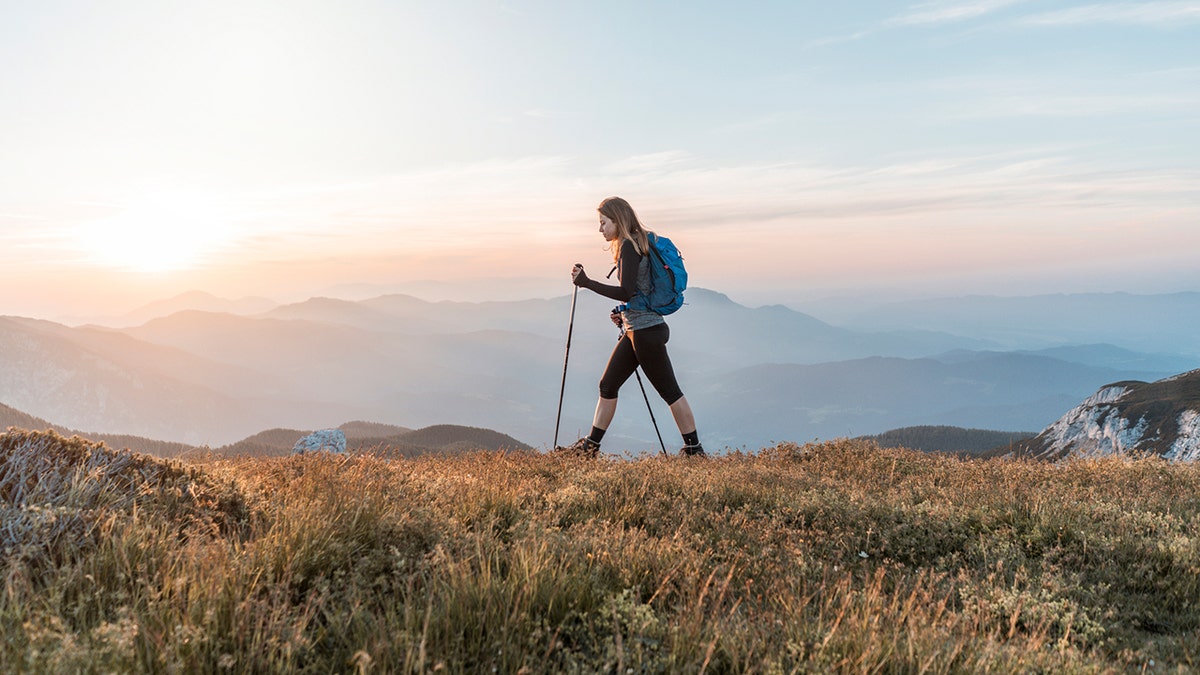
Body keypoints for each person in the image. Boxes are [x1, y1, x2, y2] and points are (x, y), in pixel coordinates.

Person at [558, 196, 705, 458]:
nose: (600, 229)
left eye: (603, 223)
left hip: (646, 333)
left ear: (618, 220)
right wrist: (624, 314)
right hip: (639, 329)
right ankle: (590, 448)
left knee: (670, 391)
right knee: (607, 385)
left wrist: (586, 282)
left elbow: (626, 290)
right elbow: (637, 293)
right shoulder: (639, 242)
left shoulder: (628, 245)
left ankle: (694, 450)